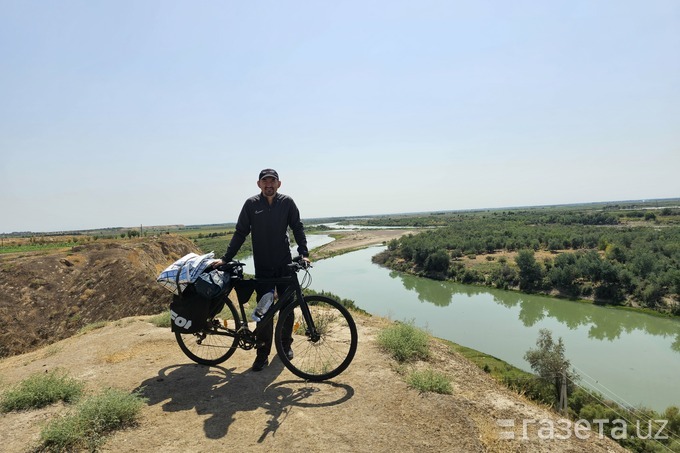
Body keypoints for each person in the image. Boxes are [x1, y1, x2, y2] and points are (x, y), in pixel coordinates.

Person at [214, 168, 310, 371]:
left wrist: (304, 253)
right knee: (264, 311)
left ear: (279, 184)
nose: (269, 185)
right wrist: (226, 258)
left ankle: (285, 346)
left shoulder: (287, 203)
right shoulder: (251, 205)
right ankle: (262, 353)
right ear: (259, 184)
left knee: (287, 307)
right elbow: (240, 232)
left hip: (285, 265)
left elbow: (297, 227)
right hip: (263, 267)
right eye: (265, 181)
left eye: (272, 181)